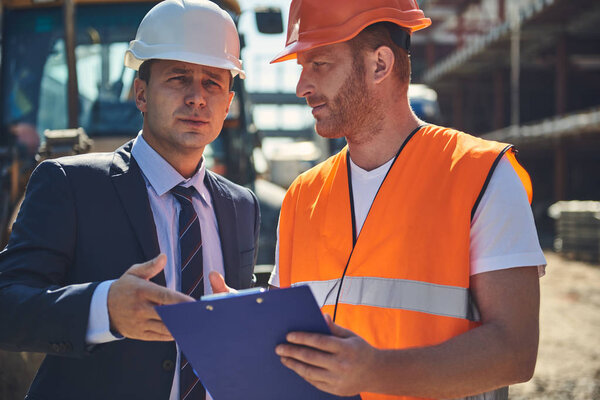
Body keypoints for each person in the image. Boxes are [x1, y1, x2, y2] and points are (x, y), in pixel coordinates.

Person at [267, 1, 547, 399]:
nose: (302, 87)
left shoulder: (482, 174)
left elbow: (516, 351)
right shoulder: (301, 196)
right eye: (302, 67)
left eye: (319, 64)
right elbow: (289, 347)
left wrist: (376, 373)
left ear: (379, 64)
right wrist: (245, 325)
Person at [0, 1, 259, 399]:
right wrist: (102, 309)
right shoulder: (69, 184)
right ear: (140, 93)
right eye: (178, 78)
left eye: (212, 82)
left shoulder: (241, 205)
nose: (196, 97)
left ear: (228, 102)